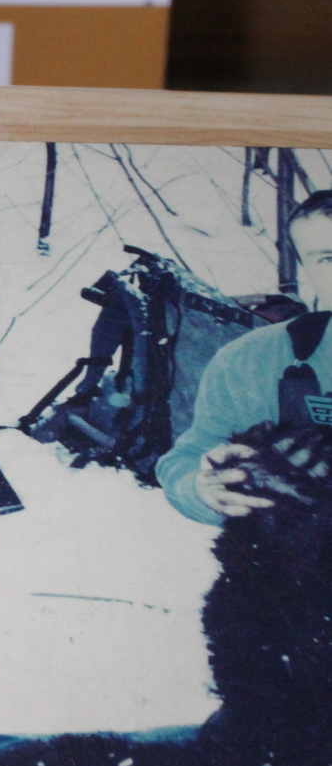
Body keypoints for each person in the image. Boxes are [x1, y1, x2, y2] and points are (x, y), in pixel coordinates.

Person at [158, 190, 332, 524]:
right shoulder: (254, 360)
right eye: (328, 258)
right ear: (306, 267)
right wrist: (203, 488)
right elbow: (189, 457)